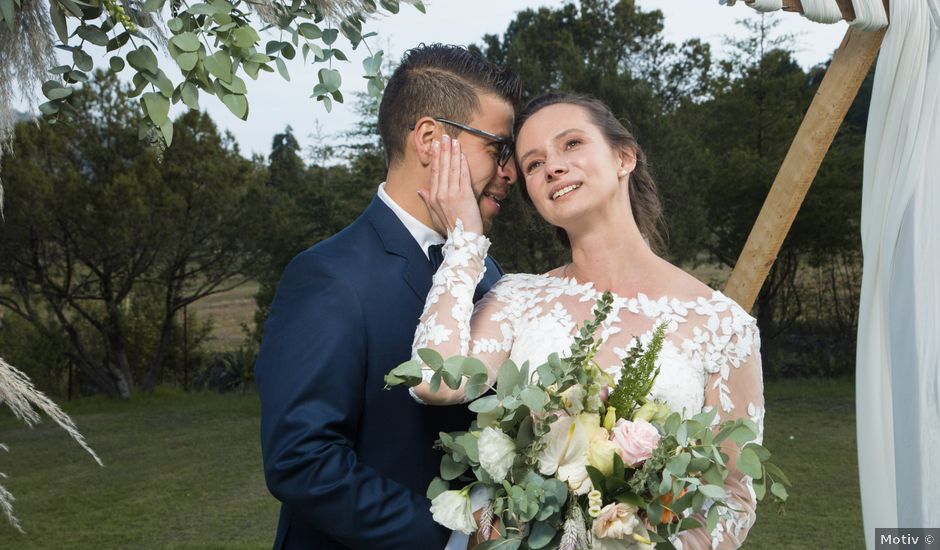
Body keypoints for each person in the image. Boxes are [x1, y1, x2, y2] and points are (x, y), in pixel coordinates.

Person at [410, 93, 765, 549]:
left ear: (624, 156)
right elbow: (433, 382)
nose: (552, 167)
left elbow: (733, 496)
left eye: (571, 144)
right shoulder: (516, 298)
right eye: (534, 164)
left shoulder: (723, 325)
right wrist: (465, 240)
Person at [254, 44, 520, 549]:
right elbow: (303, 460)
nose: (509, 172)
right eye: (497, 148)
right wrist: (454, 538)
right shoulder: (328, 277)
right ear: (429, 139)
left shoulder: (484, 269)